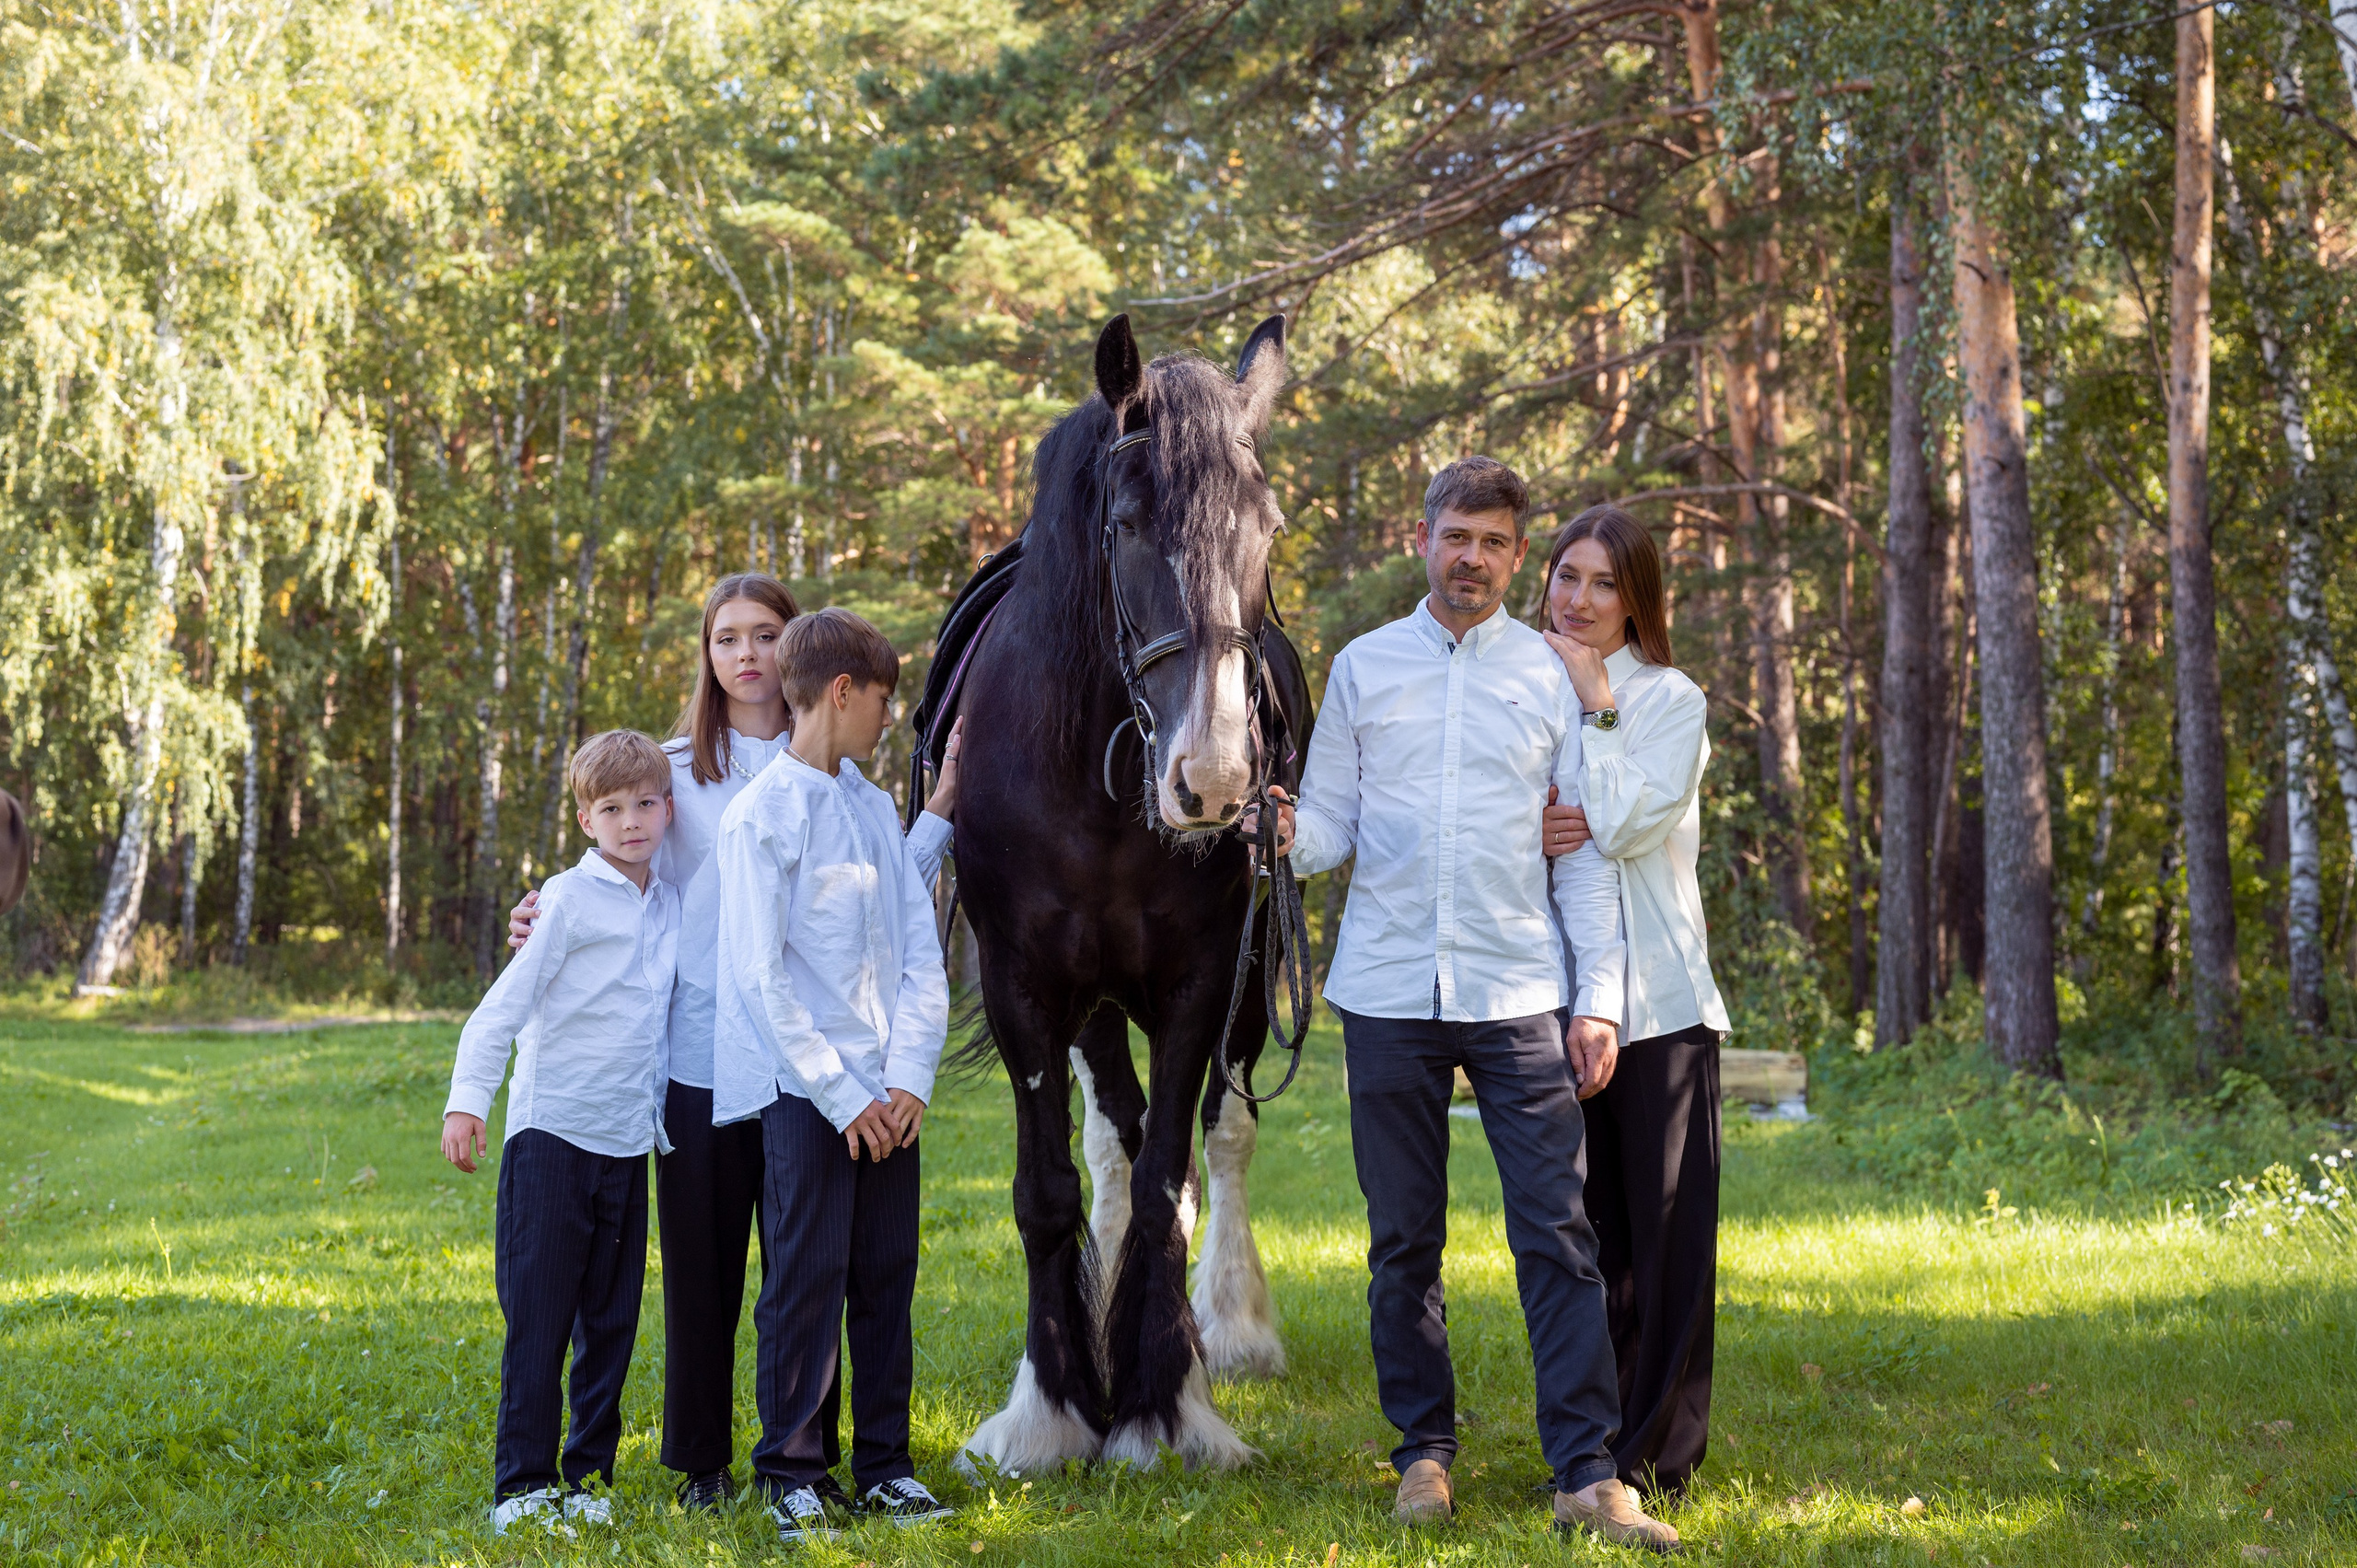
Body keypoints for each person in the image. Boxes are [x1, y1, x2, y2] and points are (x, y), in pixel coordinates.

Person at [1260, 457, 1679, 1551]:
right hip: (1388, 989)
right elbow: (1331, 826)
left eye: (1497, 542)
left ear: (1514, 554)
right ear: (1423, 537)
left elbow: (1581, 856)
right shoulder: (1362, 668)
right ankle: (1423, 1455)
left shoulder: (1551, 679)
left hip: (1518, 990)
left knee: (1556, 1229)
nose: (1475, 559)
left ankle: (1586, 1472)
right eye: (1459, 536)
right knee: (1403, 1239)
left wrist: (1599, 1000)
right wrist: (1277, 832)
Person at [505, 575, 959, 1512]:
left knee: (820, 1260)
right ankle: (705, 1460)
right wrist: (544, 908)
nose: (745, 654)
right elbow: (614, 856)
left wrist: (941, 813)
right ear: (708, 656)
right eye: (726, 639)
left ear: (801, 658)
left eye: (764, 635)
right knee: (708, 1270)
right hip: (703, 1055)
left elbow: (876, 898)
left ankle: (826, 1453)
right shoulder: (675, 771)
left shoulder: (853, 785)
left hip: (815, 1064)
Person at [712, 607, 956, 1544]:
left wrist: (907, 1083)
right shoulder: (760, 815)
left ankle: (885, 1465)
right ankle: (792, 1471)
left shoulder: (866, 803)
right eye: (885, 701)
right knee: (805, 1279)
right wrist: (844, 1093)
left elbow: (915, 959)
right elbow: (760, 975)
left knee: (885, 1275)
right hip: (807, 1096)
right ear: (843, 692)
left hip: (889, 1099)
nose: (889, 720)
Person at [440, 729, 680, 1536]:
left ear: (668, 808)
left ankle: (588, 1475)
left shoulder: (670, 902)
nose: (632, 821)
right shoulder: (566, 899)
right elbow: (502, 1008)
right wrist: (467, 1101)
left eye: (646, 803)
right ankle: (523, 1485)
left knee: (611, 1322)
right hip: (552, 1136)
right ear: (586, 819)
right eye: (611, 808)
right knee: (540, 1318)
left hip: (626, 1142)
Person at [1539, 505, 1731, 1502]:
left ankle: (1659, 1455)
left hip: (1658, 1007)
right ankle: (1592, 1446)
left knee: (1664, 1242)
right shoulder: (1521, 688)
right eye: (1567, 575)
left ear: (1638, 598)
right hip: (1549, 1002)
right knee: (1586, 1240)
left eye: (1604, 583)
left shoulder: (1669, 699)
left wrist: (1597, 701)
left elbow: (1614, 824)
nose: (1578, 598)